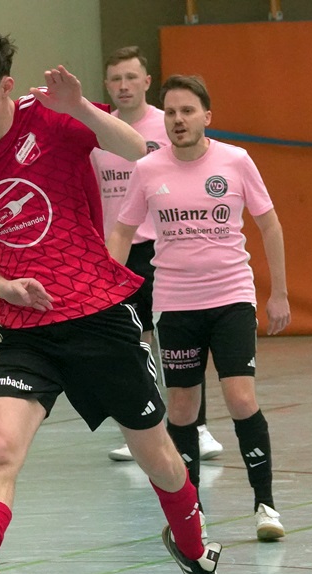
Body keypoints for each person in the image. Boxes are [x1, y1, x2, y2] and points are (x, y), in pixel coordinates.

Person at [0, 29, 226, 574]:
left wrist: (79, 106)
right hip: (28, 328)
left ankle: (196, 550)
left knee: (158, 458)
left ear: (5, 87)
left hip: (99, 315)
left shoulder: (54, 117)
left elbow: (137, 148)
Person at [107, 74, 290, 542]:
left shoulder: (236, 161)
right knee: (183, 407)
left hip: (231, 297)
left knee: (241, 398)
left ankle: (265, 505)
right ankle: (194, 513)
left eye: (187, 111)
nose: (178, 119)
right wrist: (107, 290)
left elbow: (269, 224)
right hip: (176, 304)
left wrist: (280, 294)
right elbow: (123, 231)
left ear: (206, 116)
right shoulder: (148, 169)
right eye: (170, 112)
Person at [91, 46, 223, 465]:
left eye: (131, 77)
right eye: (116, 79)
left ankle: (196, 427)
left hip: (164, 248)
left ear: (146, 82)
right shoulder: (98, 131)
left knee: (181, 340)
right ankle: (143, 429)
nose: (124, 86)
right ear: (106, 84)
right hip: (117, 250)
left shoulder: (167, 125)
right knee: (132, 344)